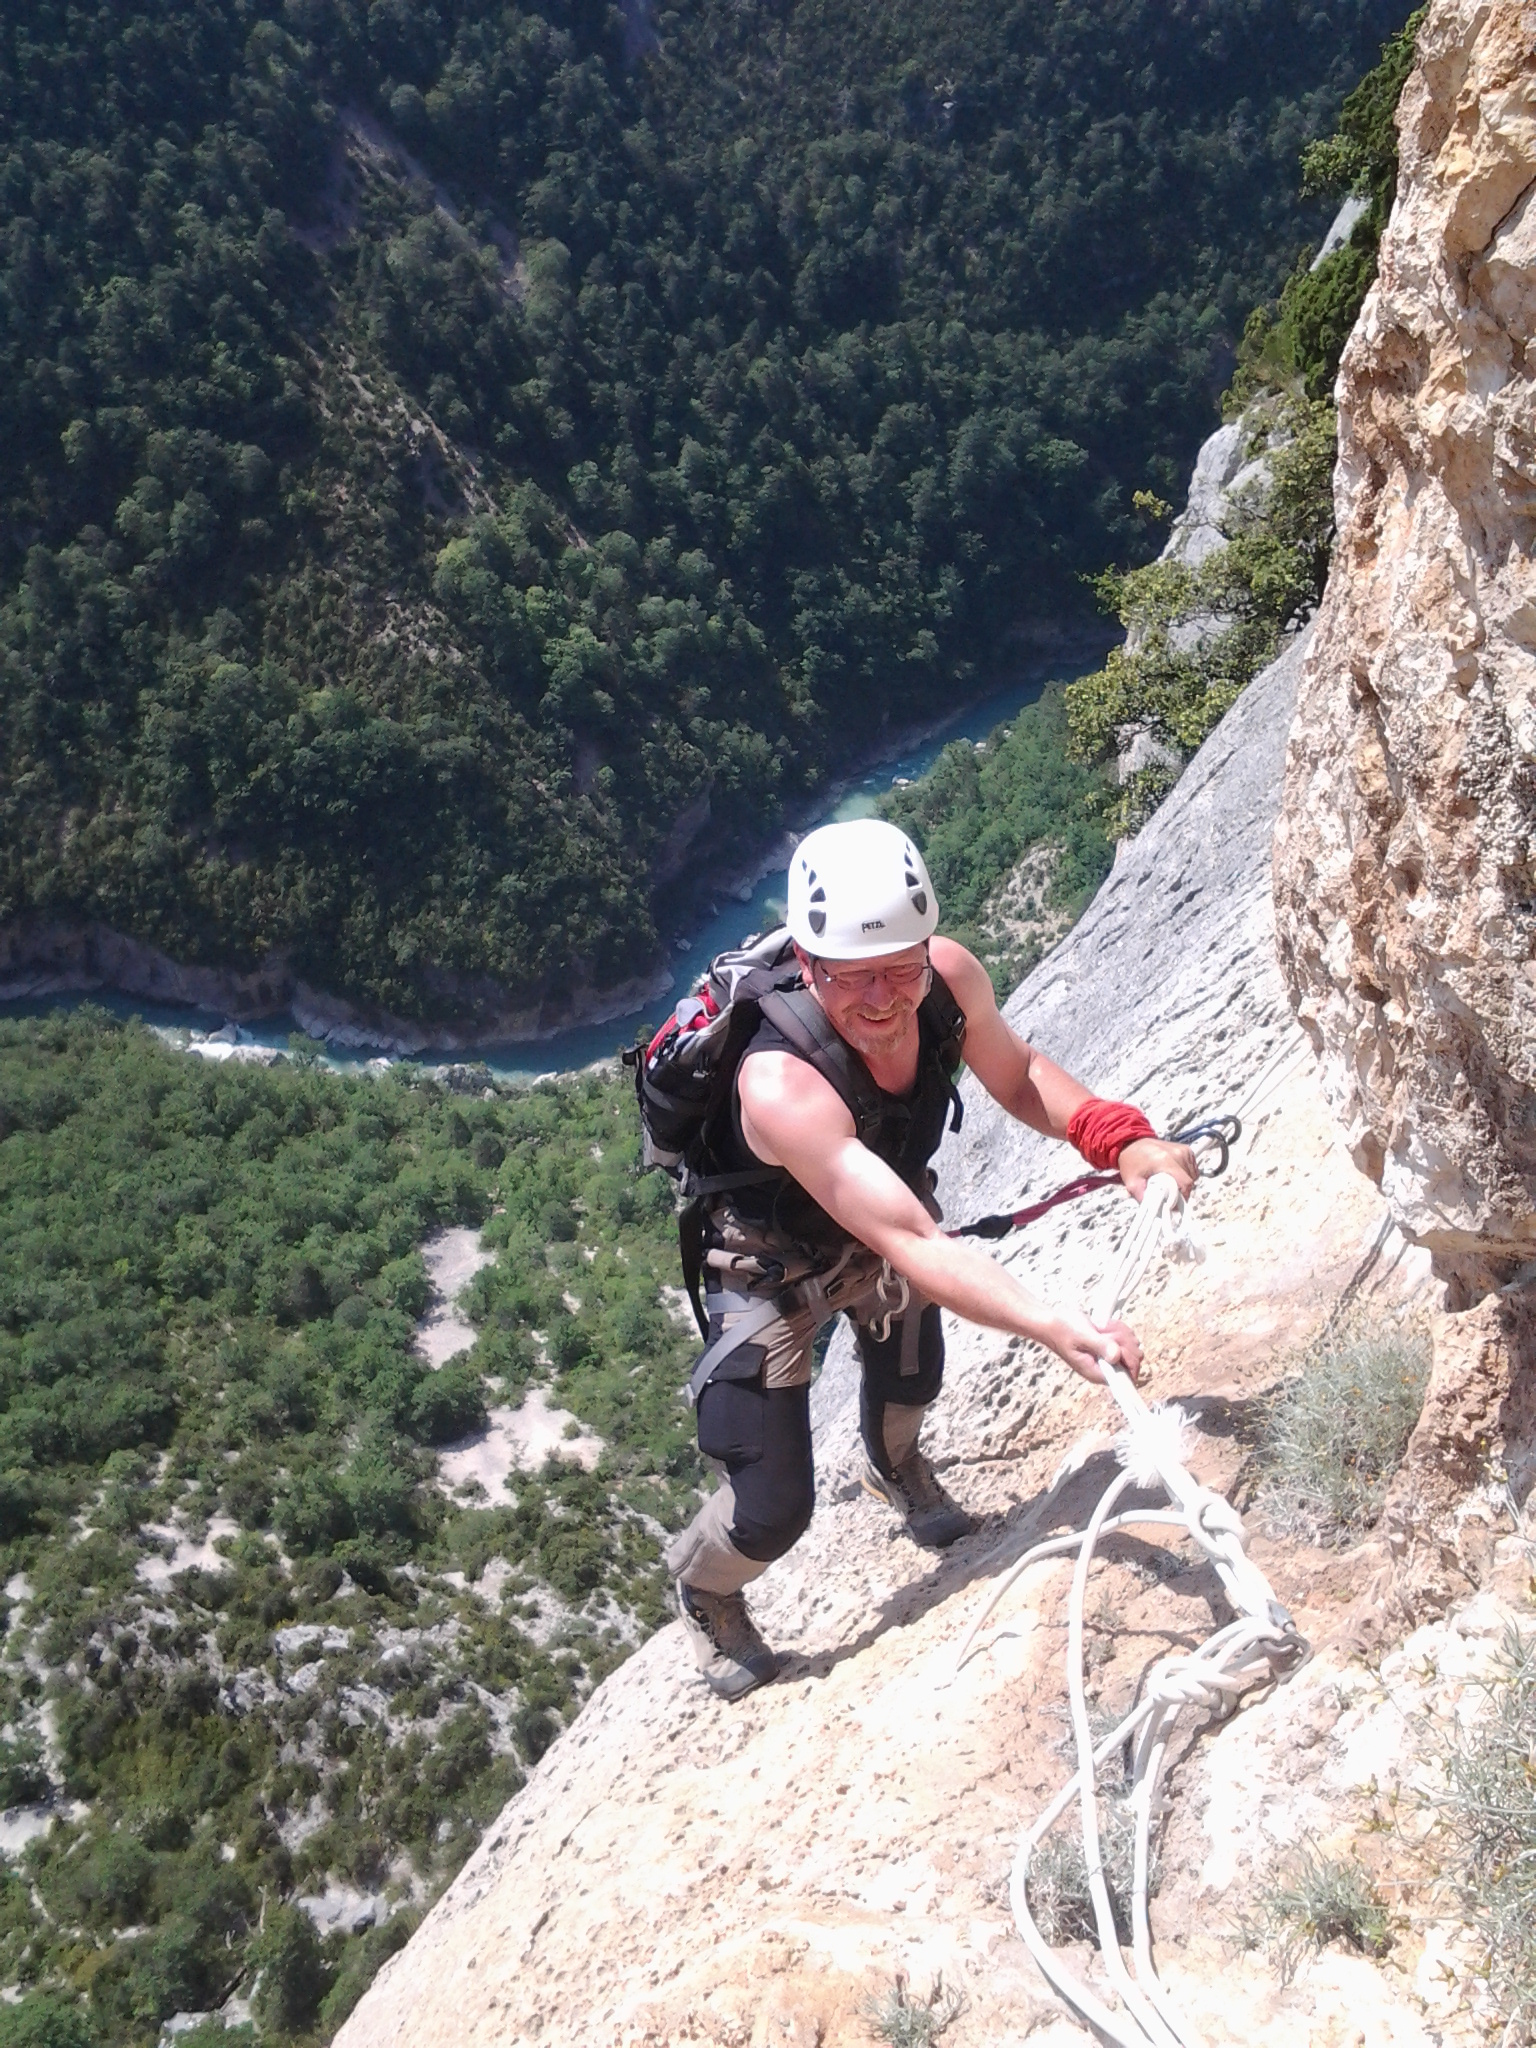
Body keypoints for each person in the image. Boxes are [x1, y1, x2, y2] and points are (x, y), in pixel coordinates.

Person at [663, 818, 1197, 1699]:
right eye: (853, 978)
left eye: (900, 969)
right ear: (806, 959)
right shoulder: (778, 1082)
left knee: (912, 1386)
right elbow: (912, 1240)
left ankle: (893, 1466)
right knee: (772, 1509)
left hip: (888, 1219)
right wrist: (1051, 1324)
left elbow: (1017, 1072)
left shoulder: (945, 977)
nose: (883, 999)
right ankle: (702, 1584)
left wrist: (1121, 1140)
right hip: (766, 1260)